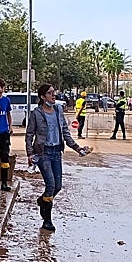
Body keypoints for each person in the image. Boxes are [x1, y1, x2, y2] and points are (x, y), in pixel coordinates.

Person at [26, 83, 89, 232]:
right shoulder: (36, 113)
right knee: (51, 185)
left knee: (58, 186)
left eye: (54, 92)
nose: (54, 95)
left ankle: (43, 200)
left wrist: (77, 148)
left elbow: (65, 132)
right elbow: (29, 135)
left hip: (56, 152)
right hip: (43, 153)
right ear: (43, 97)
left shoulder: (58, 110)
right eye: (50, 93)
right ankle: (47, 219)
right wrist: (30, 153)